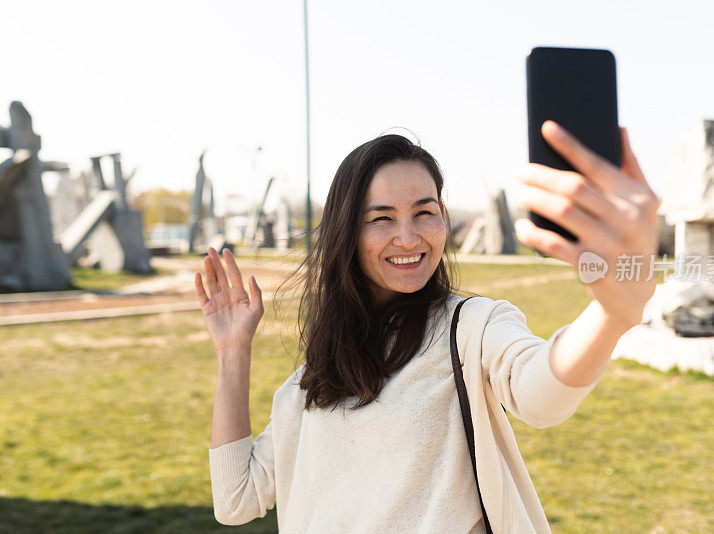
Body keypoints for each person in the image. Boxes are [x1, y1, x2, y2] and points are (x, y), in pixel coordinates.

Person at [195, 121, 659, 533]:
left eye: (424, 211)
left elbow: (542, 396)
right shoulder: (309, 385)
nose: (409, 236)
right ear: (346, 234)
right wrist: (232, 352)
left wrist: (610, 315)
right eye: (381, 218)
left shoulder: (471, 326)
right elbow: (236, 501)